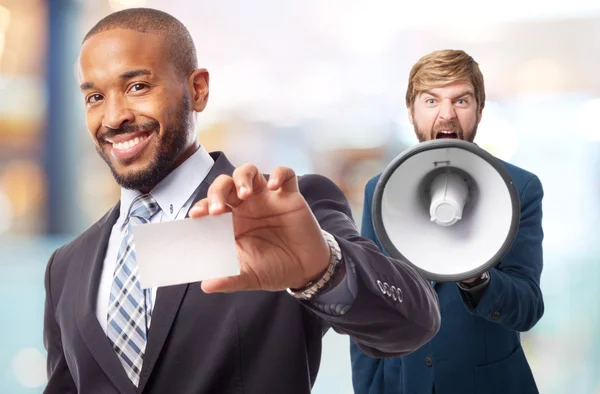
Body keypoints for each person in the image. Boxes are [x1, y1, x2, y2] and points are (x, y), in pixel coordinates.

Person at [42, 8, 441, 394]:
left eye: (137, 87)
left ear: (197, 89)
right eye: (94, 96)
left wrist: (322, 269)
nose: (113, 117)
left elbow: (411, 324)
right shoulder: (68, 265)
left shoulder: (278, 211)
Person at [350, 49, 545, 394]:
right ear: (411, 111)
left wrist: (477, 277)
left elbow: (527, 309)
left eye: (461, 101)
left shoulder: (519, 188)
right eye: (431, 100)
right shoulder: (377, 191)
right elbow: (368, 310)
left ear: (480, 110)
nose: (446, 115)